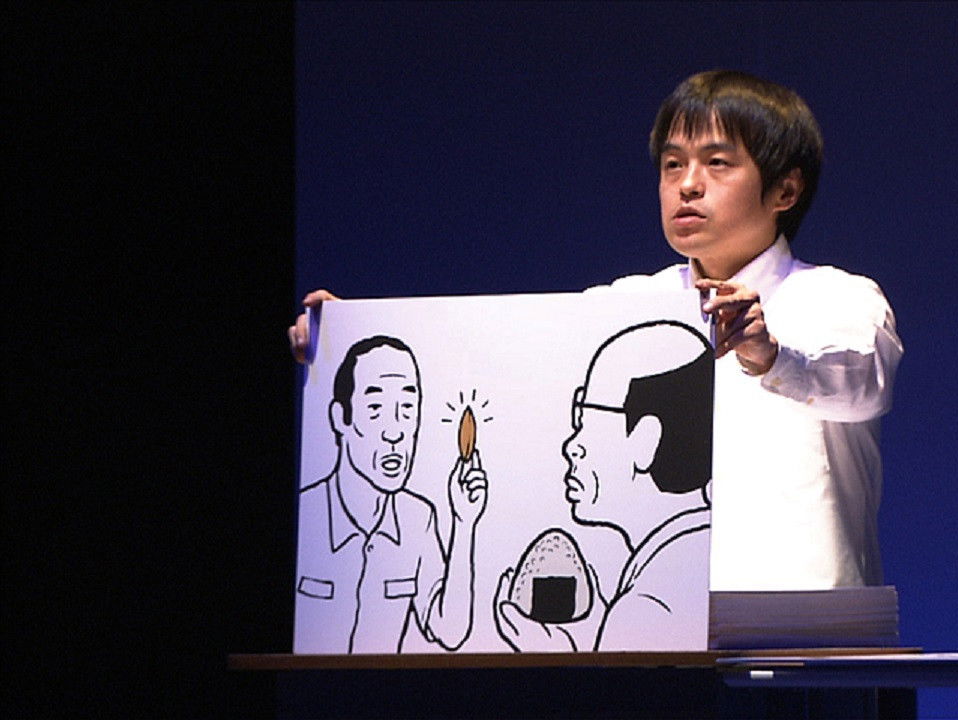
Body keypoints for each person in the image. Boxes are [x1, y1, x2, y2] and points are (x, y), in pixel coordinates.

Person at [289, 69, 903, 592]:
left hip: (808, 639)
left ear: (785, 189)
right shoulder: (628, 306)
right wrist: (351, 341)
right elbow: (499, 368)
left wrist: (771, 355)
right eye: (672, 165)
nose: (687, 184)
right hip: (660, 636)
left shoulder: (836, 298)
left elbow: (861, 384)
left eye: (717, 163)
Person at [492, 320, 714, 652]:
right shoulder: (684, 563)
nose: (572, 446)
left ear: (645, 441)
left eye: (584, 419)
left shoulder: (650, 606)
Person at [293, 336, 488, 653]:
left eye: (407, 409)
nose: (395, 432)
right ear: (340, 418)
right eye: (375, 409)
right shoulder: (305, 512)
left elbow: (450, 631)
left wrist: (464, 523)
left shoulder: (418, 519)